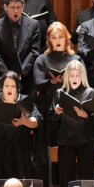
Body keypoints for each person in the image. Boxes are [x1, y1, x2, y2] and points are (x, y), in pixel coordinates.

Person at [32, 22, 81, 178]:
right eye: (54, 37)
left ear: (66, 38)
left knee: (66, 145)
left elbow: (84, 83)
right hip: (47, 105)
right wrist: (51, 82)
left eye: (60, 37)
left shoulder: (75, 58)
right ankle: (47, 184)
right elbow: (37, 82)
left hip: (68, 105)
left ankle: (65, 181)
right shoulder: (42, 58)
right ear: (49, 40)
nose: (58, 40)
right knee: (46, 145)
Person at [51, 59, 94, 187]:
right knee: (65, 185)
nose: (75, 78)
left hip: (86, 142)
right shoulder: (59, 93)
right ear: (67, 77)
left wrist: (87, 115)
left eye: (78, 75)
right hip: (66, 143)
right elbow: (53, 122)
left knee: (87, 183)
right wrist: (56, 113)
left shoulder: (90, 92)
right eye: (71, 75)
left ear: (82, 76)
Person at [0, 70, 41, 180]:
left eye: (13, 86)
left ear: (18, 87)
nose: (9, 89)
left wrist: (24, 121)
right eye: (6, 86)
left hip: (17, 152)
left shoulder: (24, 100)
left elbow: (37, 121)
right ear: (2, 87)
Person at [0, 0, 43, 94]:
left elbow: (34, 52)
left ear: (23, 7)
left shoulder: (34, 25)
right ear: (5, 7)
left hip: (26, 79)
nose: (16, 11)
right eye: (12, 7)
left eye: (18, 7)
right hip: (4, 77)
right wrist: (8, 75)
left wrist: (20, 73)